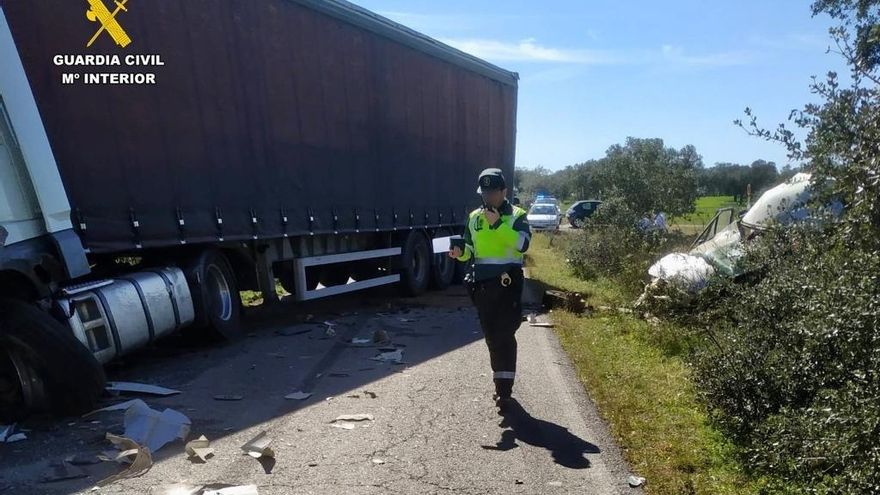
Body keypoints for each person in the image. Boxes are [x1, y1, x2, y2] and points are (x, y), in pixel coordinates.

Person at [449, 168, 531, 411]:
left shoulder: (517, 215)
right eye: (485, 193)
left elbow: (522, 245)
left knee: (505, 335)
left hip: (508, 285)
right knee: (492, 337)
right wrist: (458, 253)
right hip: (483, 287)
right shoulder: (474, 217)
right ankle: (500, 384)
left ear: (504, 192)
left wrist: (498, 226)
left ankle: (504, 391)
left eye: (494, 192)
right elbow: (470, 250)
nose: (489, 197)